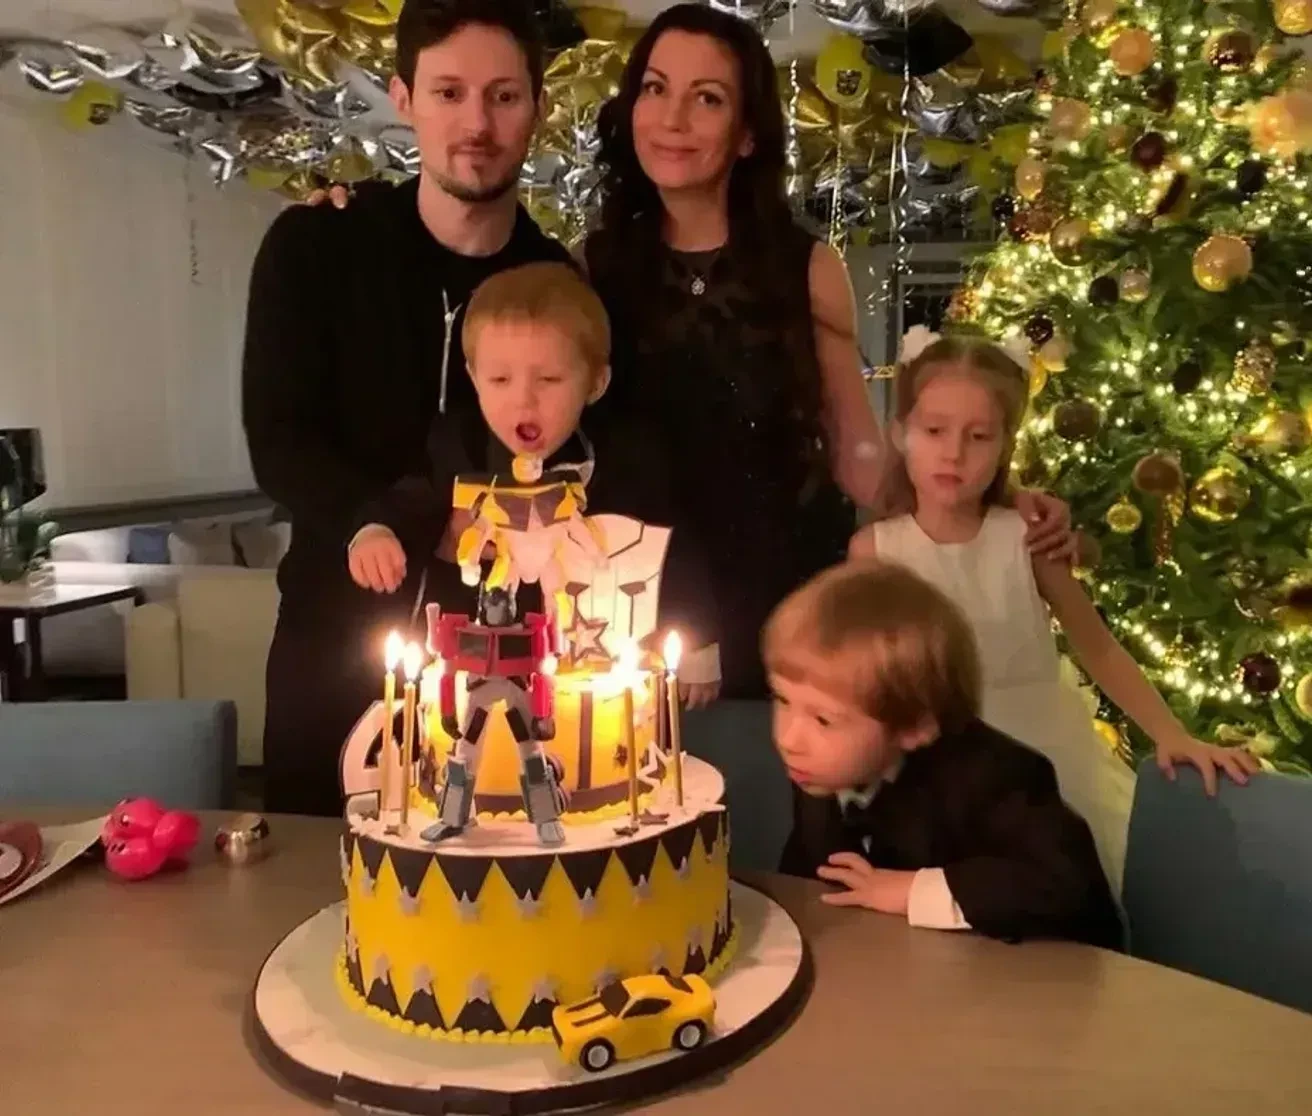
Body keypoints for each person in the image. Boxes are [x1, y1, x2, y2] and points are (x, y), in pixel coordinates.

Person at [580, 3, 1073, 704]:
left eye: (707, 98)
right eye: (655, 89)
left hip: (789, 599)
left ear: (748, 134)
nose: (673, 118)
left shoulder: (805, 266)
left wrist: (993, 503)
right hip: (636, 609)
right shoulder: (591, 268)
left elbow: (856, 450)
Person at [242, 0, 573, 817]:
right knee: (309, 873)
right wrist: (367, 518)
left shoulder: (555, 284)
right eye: (449, 92)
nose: (477, 124)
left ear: (538, 106)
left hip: (495, 663)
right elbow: (278, 437)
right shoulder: (317, 246)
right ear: (403, 97)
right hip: (331, 644)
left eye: (503, 96)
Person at [849, 330, 1260, 892]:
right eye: (935, 430)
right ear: (901, 433)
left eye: (978, 436)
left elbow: (1099, 646)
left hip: (1048, 765)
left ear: (1005, 445)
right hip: (934, 776)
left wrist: (1172, 733)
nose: (954, 453)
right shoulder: (875, 551)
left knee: (1060, 897)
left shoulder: (1027, 539)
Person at [346, 260, 721, 694]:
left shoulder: (628, 456)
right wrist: (376, 531)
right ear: (473, 377)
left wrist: (698, 642)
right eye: (500, 379)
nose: (523, 399)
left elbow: (675, 547)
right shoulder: (458, 445)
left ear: (595, 383)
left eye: (549, 379)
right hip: (482, 663)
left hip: (590, 674)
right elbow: (411, 499)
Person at [767, 560, 1124, 949]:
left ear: (914, 726)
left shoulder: (996, 777)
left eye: (823, 719)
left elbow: (1067, 887)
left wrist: (912, 890)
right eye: (782, 700)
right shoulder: (819, 768)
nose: (789, 739)